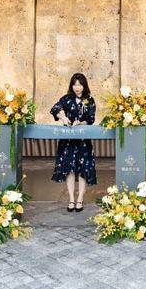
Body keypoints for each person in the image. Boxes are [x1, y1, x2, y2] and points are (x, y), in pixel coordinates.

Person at [50, 73, 97, 212]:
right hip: (68, 140)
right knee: (69, 170)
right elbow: (54, 109)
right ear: (71, 85)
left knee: (83, 170)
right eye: (75, 84)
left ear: (84, 86)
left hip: (83, 140)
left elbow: (91, 119)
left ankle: (80, 199)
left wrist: (80, 122)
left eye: (80, 84)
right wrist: (63, 117)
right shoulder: (66, 99)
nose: (77, 87)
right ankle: (71, 199)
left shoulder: (89, 100)